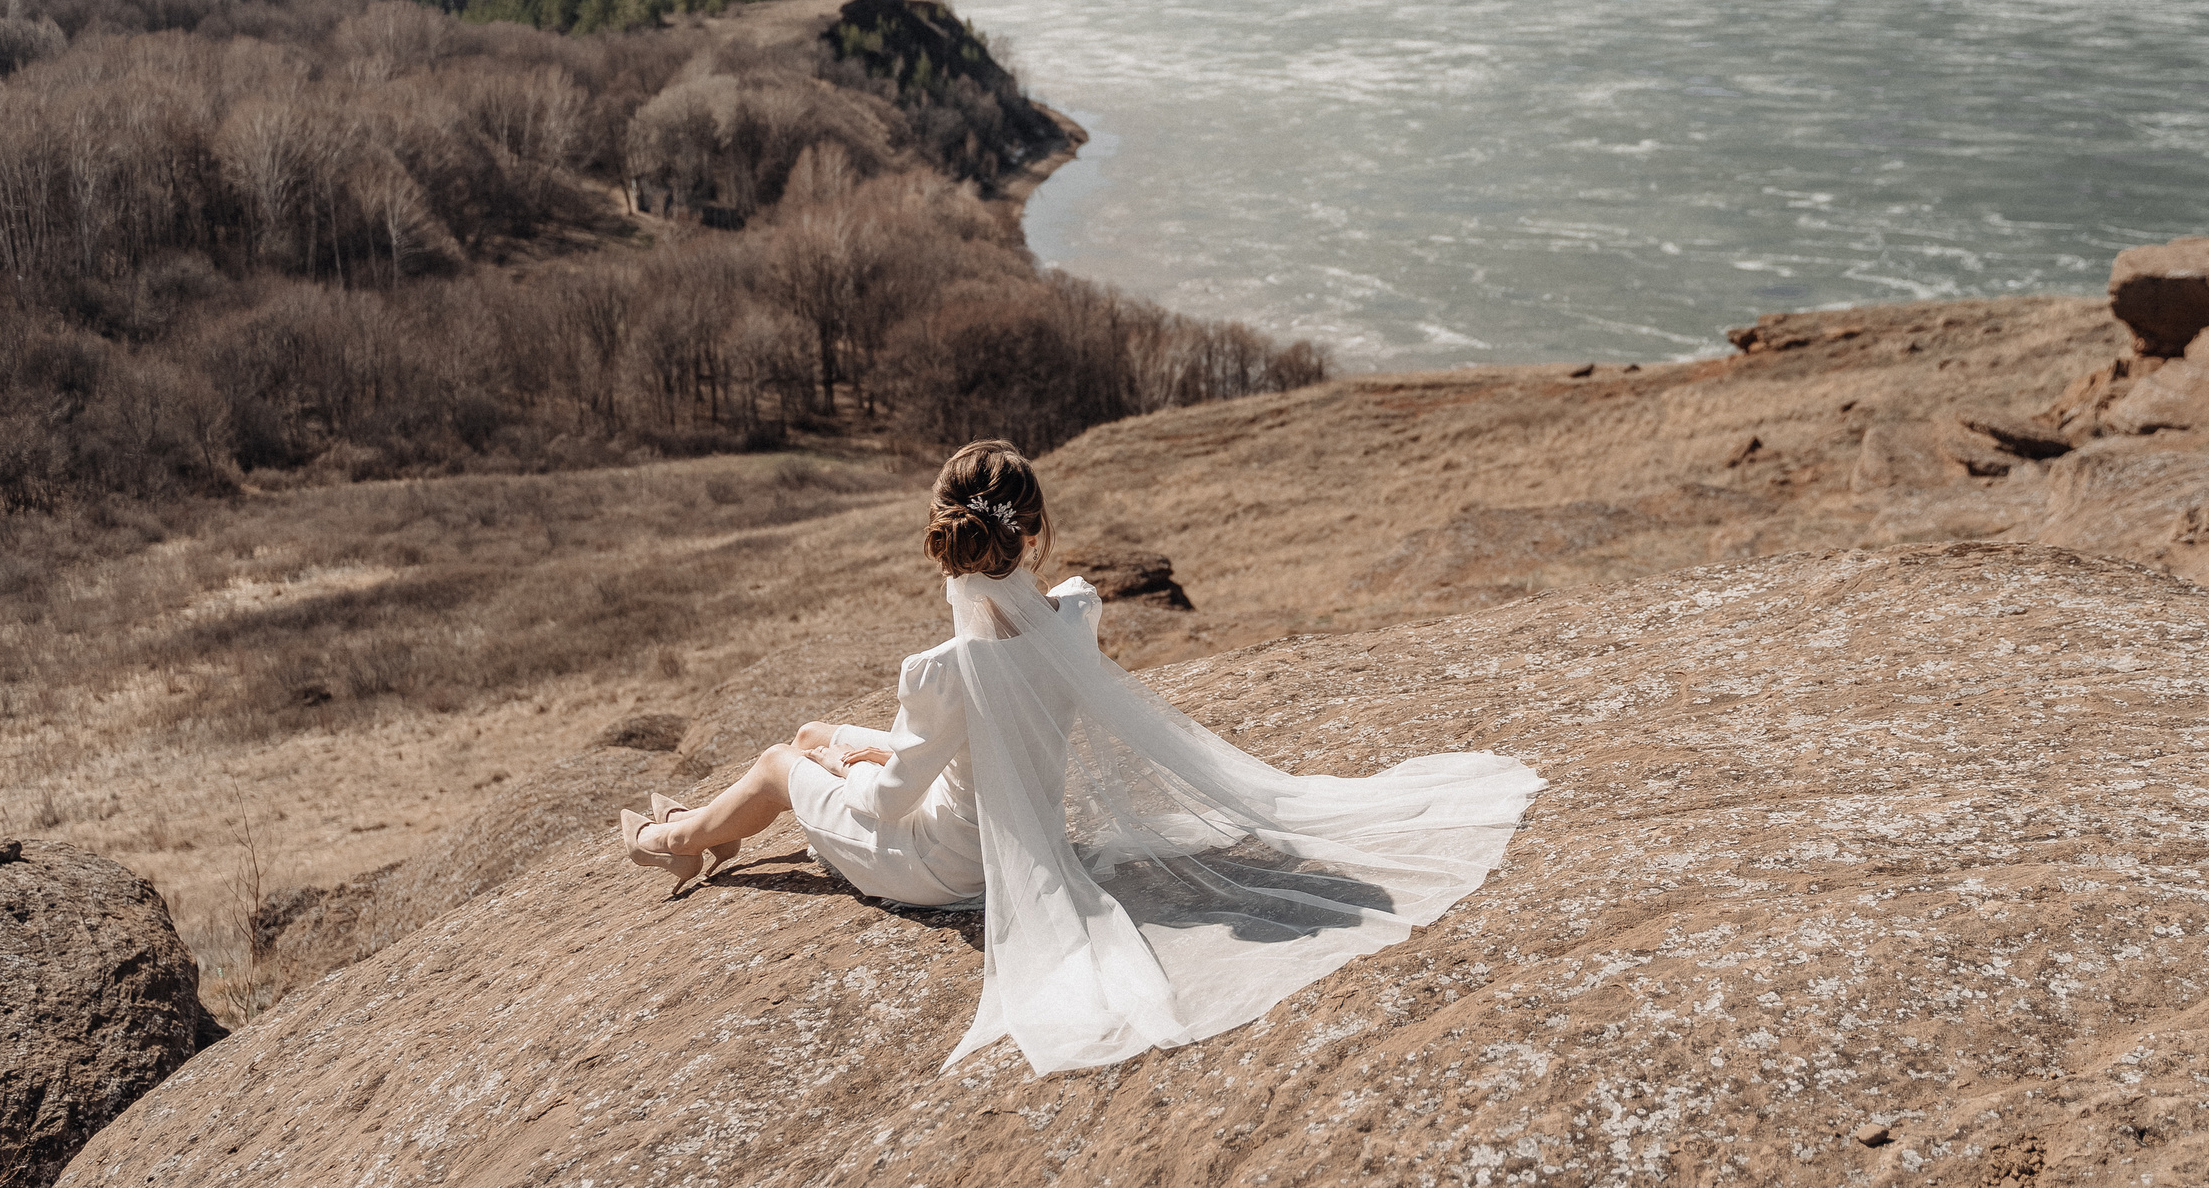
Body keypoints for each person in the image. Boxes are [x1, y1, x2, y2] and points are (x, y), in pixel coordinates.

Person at [622, 438, 1543, 1074]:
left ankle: (682, 839)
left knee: (784, 761)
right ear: (1033, 532)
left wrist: (845, 762)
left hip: (942, 862)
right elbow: (961, 737)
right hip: (1015, 842)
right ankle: (708, 826)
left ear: (946, 535)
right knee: (822, 732)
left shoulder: (942, 671)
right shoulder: (1074, 616)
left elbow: (899, 794)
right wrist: (851, 744)